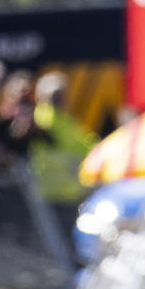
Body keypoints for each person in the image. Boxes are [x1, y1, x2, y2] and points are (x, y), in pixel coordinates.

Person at [28, 72, 99, 239]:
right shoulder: (41, 120)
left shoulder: (63, 119)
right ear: (41, 96)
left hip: (68, 195)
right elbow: (77, 149)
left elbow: (86, 144)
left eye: (61, 94)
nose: (59, 99)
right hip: (53, 197)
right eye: (54, 95)